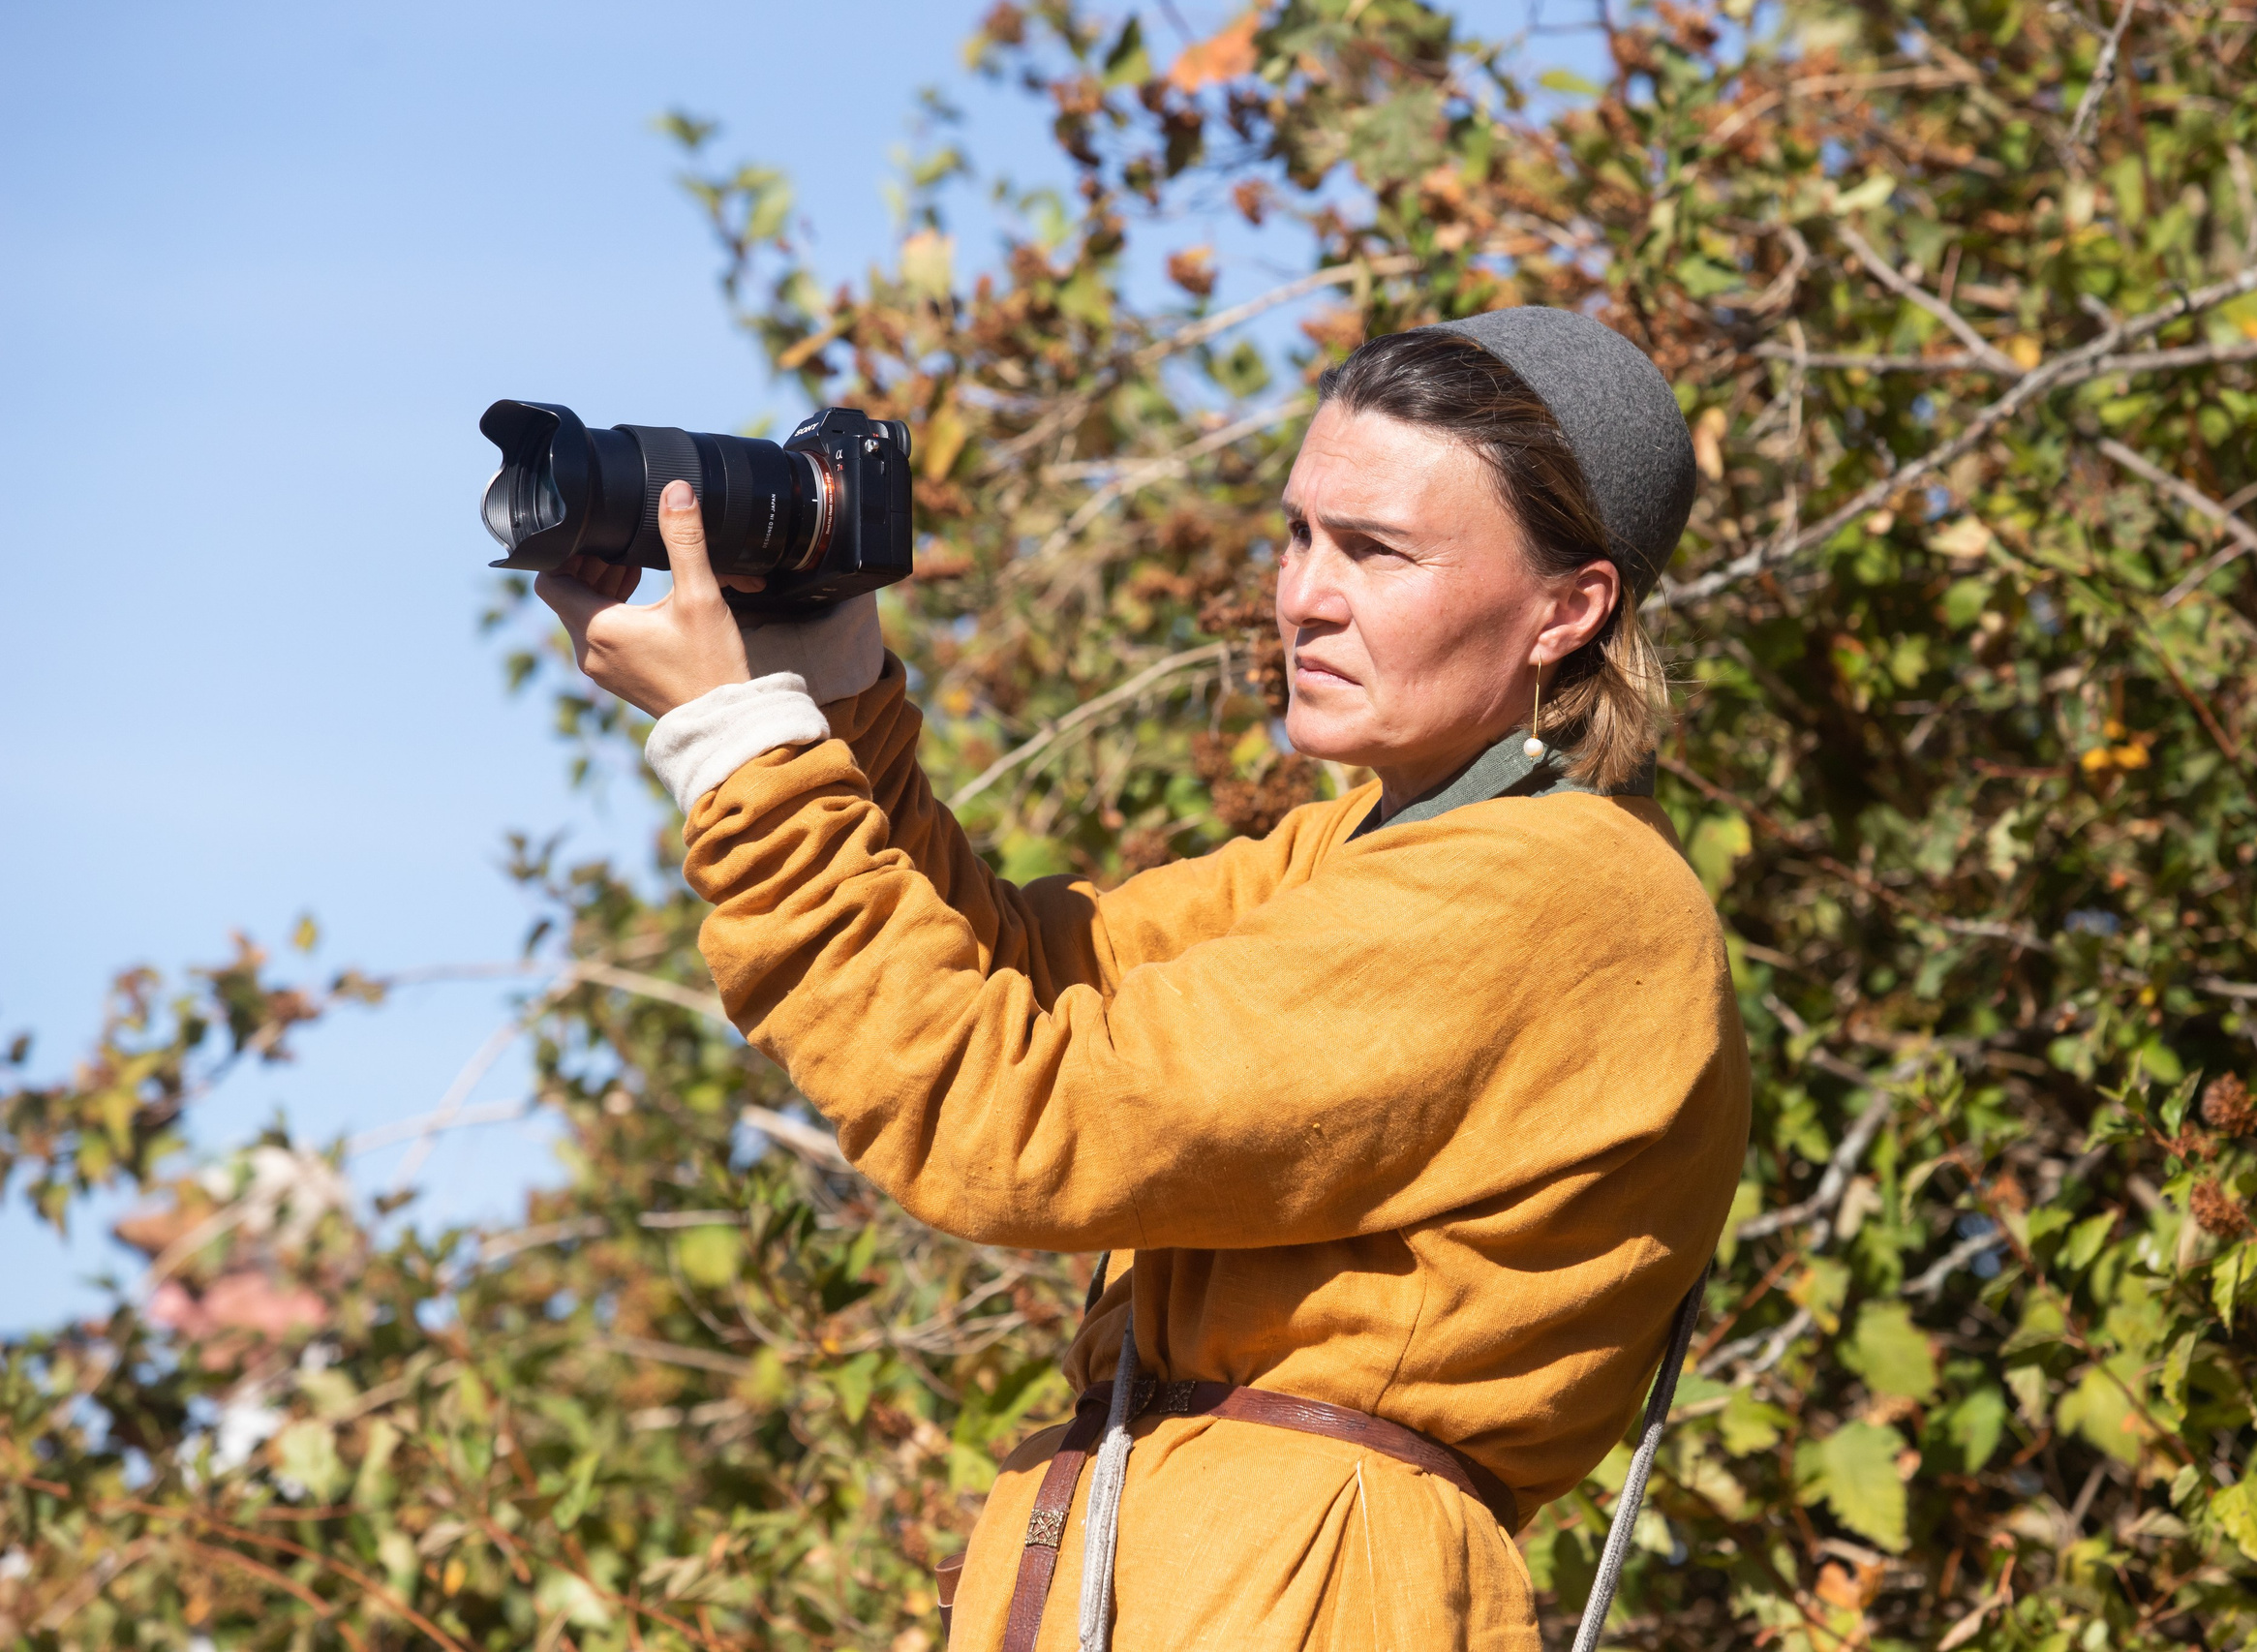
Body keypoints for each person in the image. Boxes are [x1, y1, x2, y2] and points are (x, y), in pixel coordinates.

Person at [536, 307, 1752, 1652]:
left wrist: (736, 746)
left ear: (1570, 609)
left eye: (1376, 551)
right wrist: (832, 695)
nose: (1305, 595)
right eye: (1298, 534)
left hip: (1303, 1597)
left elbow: (1023, 1116)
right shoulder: (1374, 847)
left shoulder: (1551, 892)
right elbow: (1027, 977)